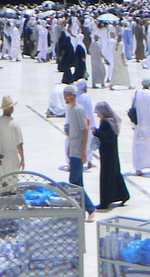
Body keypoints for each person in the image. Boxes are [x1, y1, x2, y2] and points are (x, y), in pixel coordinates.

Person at [63, 85, 96, 221]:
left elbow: (84, 130)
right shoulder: (70, 110)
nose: (65, 97)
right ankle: (82, 209)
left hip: (78, 151)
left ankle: (89, 208)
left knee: (74, 183)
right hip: (73, 150)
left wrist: (83, 152)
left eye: (67, 95)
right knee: (76, 182)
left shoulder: (78, 110)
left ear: (72, 95)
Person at [94, 101, 130, 210]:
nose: (97, 115)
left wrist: (96, 132)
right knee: (114, 174)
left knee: (106, 177)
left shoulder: (106, 122)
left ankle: (105, 202)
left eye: (98, 112)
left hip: (107, 155)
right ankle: (123, 195)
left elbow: (108, 138)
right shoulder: (111, 121)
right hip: (112, 153)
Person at [0, 95, 25, 175]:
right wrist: (22, 159)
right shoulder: (14, 124)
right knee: (12, 185)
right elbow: (19, 145)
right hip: (12, 160)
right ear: (11, 109)